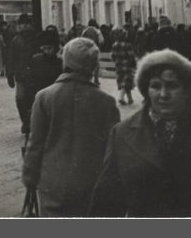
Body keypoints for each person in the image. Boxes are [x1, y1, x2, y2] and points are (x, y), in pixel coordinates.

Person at [89, 49, 191, 216]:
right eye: (155, 86)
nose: (164, 94)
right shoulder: (122, 133)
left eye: (173, 86)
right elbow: (106, 202)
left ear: (187, 90)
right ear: (145, 90)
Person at [22, 38, 120, 216]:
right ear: (93, 66)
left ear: (65, 61)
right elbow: (114, 150)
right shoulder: (107, 102)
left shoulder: (44, 97)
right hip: (92, 186)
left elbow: (35, 145)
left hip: (54, 185)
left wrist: (30, 178)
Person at [20, 29, 62, 137]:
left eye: (50, 48)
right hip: (39, 98)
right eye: (44, 48)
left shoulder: (61, 62)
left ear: (55, 48)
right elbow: (29, 81)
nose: (47, 51)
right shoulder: (36, 60)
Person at [110, 28, 137, 105]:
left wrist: (116, 60)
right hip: (127, 65)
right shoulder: (128, 45)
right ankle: (121, 97)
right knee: (126, 82)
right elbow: (131, 56)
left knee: (123, 81)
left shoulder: (114, 45)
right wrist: (134, 63)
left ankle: (130, 99)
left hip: (118, 65)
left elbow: (112, 56)